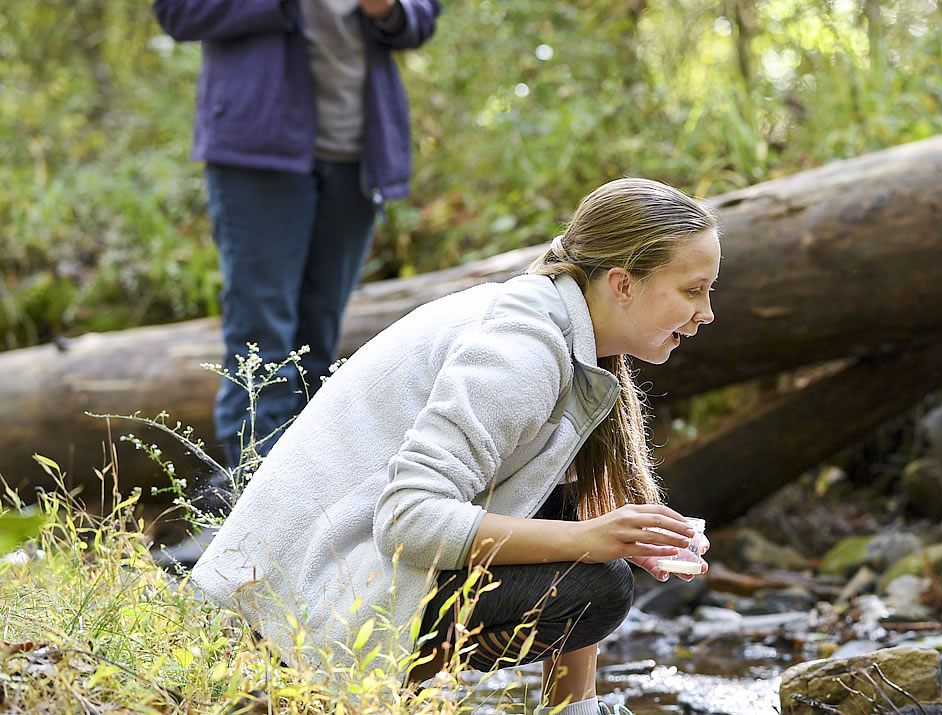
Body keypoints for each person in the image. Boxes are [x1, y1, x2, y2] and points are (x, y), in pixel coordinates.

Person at [190, 179, 720, 715]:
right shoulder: (524, 351)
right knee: (598, 585)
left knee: (584, 553)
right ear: (622, 284)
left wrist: (607, 539)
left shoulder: (564, 329)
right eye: (692, 290)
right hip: (275, 610)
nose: (707, 313)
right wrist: (591, 540)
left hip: (321, 579)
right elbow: (407, 521)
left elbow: (561, 510)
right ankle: (346, 697)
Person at [152, 0, 442, 473]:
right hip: (257, 155)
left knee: (318, 345)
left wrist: (390, 9)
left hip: (357, 156)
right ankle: (252, 512)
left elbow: (420, 17)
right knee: (259, 342)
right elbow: (180, 13)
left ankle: (305, 509)